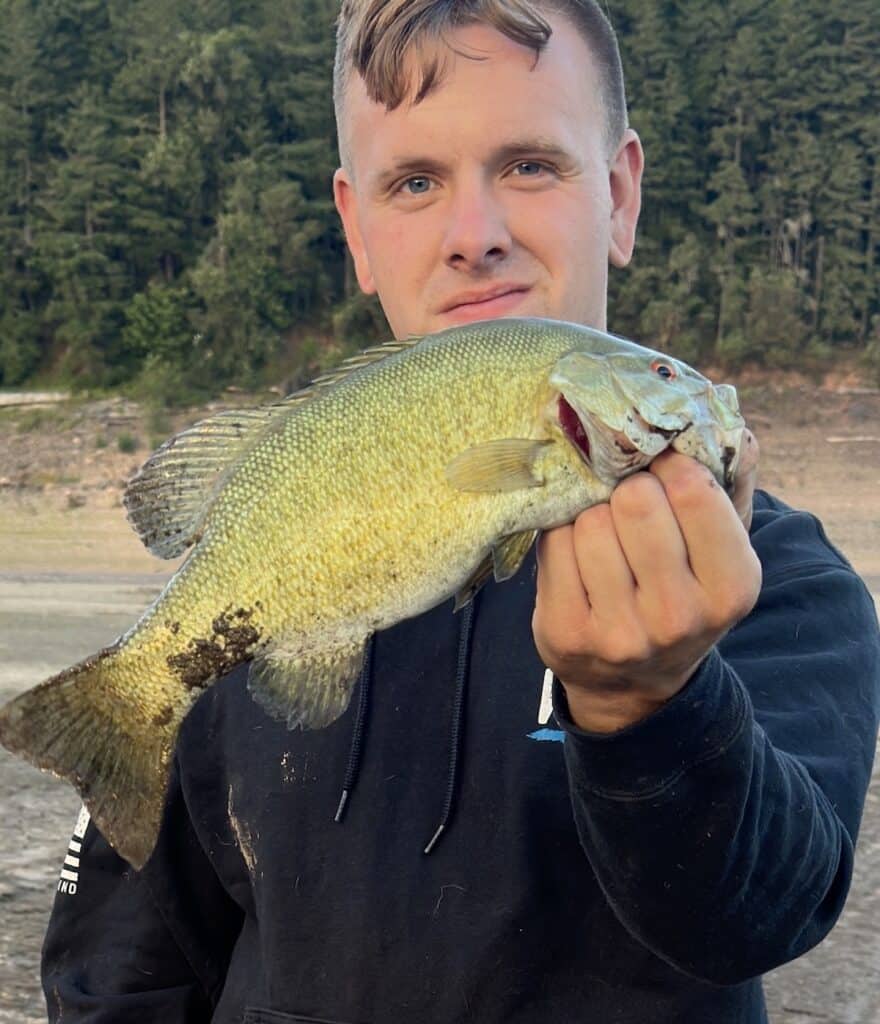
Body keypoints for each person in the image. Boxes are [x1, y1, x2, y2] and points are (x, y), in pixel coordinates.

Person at [41, 1, 880, 1021]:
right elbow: (119, 973)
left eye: (530, 164)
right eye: (415, 182)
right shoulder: (249, 570)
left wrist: (655, 711)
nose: (473, 236)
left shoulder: (775, 582)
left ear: (616, 195)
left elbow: (763, 914)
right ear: (354, 228)